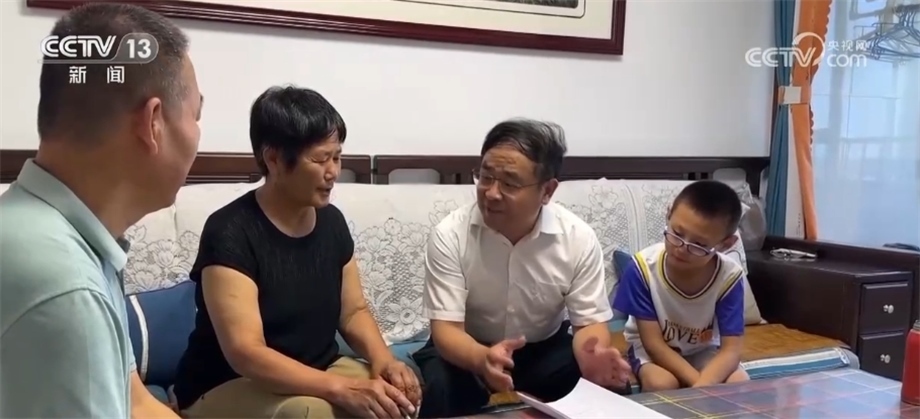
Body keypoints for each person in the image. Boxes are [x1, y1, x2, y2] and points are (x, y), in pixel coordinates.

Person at [0, 3, 202, 418]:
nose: (198, 134)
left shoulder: (69, 237)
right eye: (196, 115)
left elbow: (135, 401)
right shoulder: (64, 287)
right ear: (154, 123)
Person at [173, 86, 422, 419]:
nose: (333, 171)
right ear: (273, 159)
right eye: (319, 159)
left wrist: (384, 361)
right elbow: (246, 352)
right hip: (231, 382)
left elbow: (353, 312)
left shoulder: (332, 222)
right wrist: (339, 388)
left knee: (398, 396)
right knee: (312, 413)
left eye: (337, 157)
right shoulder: (230, 231)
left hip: (319, 370)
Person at [414, 119, 631, 418]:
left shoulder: (577, 238)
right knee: (442, 387)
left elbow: (589, 324)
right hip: (467, 348)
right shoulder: (450, 234)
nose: (491, 193)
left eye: (510, 183)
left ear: (547, 190)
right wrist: (482, 359)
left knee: (604, 386)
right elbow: (446, 330)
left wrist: (592, 358)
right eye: (486, 177)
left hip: (543, 349)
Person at [612, 180, 750, 391]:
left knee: (738, 383)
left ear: (726, 244)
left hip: (703, 349)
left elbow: (731, 350)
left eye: (699, 245)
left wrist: (704, 385)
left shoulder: (729, 277)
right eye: (677, 233)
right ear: (669, 214)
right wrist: (701, 387)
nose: (682, 249)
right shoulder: (642, 268)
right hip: (652, 350)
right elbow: (654, 344)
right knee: (662, 383)